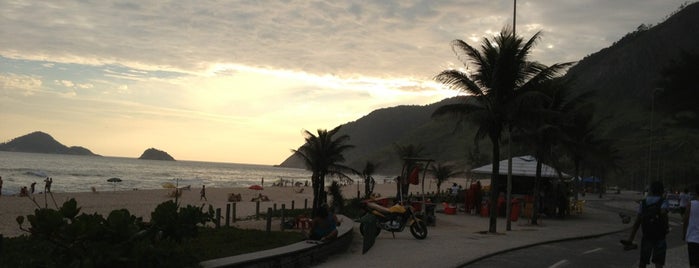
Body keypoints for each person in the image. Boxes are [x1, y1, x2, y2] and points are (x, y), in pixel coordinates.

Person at [621, 181, 669, 268]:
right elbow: (663, 213)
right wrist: (666, 226)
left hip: (647, 235)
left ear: (651, 190)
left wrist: (630, 239)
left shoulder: (643, 203)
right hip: (660, 236)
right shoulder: (663, 201)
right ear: (661, 191)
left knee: (643, 261)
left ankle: (630, 241)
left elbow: (637, 222)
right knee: (658, 262)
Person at [683, 184, 699, 268]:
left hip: (692, 238)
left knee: (693, 264)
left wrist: (684, 234)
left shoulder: (691, 204)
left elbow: (685, 220)